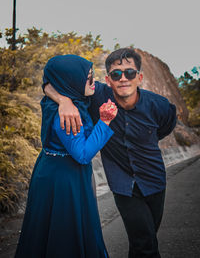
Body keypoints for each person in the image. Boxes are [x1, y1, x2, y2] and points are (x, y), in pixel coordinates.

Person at [44, 48, 177, 258]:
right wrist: (64, 101)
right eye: (116, 74)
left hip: (154, 179)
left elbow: (166, 126)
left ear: (139, 77)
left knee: (144, 239)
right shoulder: (95, 95)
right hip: (123, 185)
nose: (123, 79)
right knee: (145, 243)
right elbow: (54, 82)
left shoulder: (158, 105)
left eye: (130, 73)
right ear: (108, 79)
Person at [15, 54, 118, 258]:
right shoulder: (67, 115)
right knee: (64, 234)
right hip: (63, 178)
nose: (93, 81)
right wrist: (105, 121)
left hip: (56, 171)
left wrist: (64, 99)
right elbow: (82, 154)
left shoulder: (68, 101)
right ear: (71, 81)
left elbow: (48, 80)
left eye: (93, 75)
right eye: (88, 77)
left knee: (55, 230)